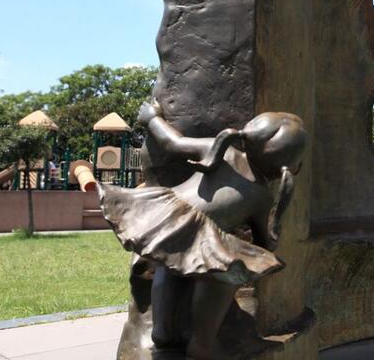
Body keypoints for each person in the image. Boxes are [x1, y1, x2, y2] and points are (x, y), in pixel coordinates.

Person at [100, 101, 306, 360]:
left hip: (169, 214)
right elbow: (265, 242)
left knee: (167, 266)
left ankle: (162, 333)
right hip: (203, 234)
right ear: (286, 170)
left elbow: (173, 143)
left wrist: (152, 119)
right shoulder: (261, 197)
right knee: (226, 272)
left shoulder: (222, 151)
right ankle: (203, 342)